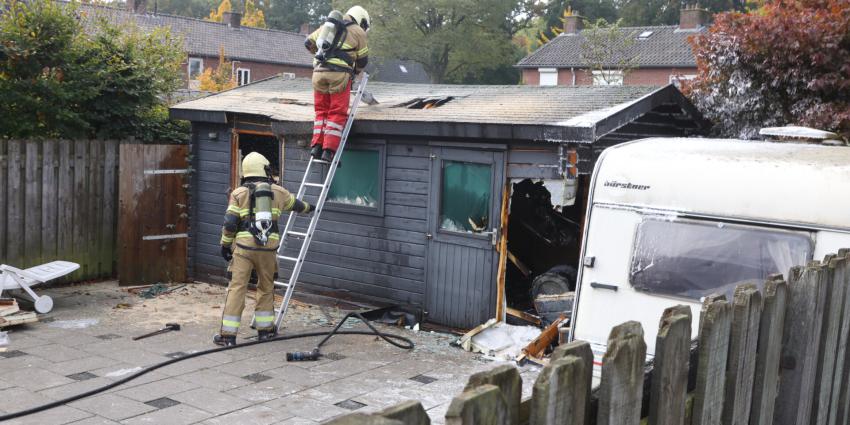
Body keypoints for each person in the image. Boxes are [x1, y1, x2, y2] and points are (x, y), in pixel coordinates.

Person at [214, 152, 312, 346]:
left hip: (243, 248)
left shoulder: (238, 193)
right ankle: (265, 331)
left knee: (237, 288)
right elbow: (297, 205)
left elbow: (230, 223)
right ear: (264, 168)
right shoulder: (279, 192)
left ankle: (228, 336)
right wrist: (312, 207)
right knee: (266, 287)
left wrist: (225, 245)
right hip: (269, 249)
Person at [304, 6, 370, 163]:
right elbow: (363, 60)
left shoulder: (328, 26)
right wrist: (354, 72)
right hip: (339, 75)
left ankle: (316, 147)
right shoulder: (358, 31)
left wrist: (323, 55)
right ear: (361, 20)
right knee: (336, 113)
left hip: (318, 74)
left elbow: (308, 43)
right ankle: (328, 151)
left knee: (321, 112)